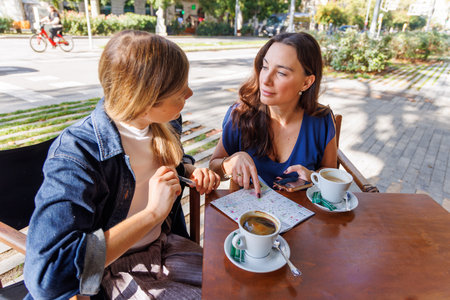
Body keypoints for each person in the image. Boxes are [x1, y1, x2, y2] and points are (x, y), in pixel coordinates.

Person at [24, 30, 220, 299]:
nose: (190, 92)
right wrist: (152, 214)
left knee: (238, 283)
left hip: (165, 247)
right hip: (112, 273)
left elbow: (157, 167)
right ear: (145, 99)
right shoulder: (77, 153)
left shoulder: (165, 123)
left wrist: (187, 170)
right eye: (180, 89)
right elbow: (48, 278)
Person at [209, 32, 337, 197]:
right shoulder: (241, 114)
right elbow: (214, 167)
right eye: (265, 66)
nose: (265, 80)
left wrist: (313, 176)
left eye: (281, 73)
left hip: (304, 218)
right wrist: (230, 163)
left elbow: (330, 172)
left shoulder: (322, 120)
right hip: (249, 218)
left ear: (306, 83)